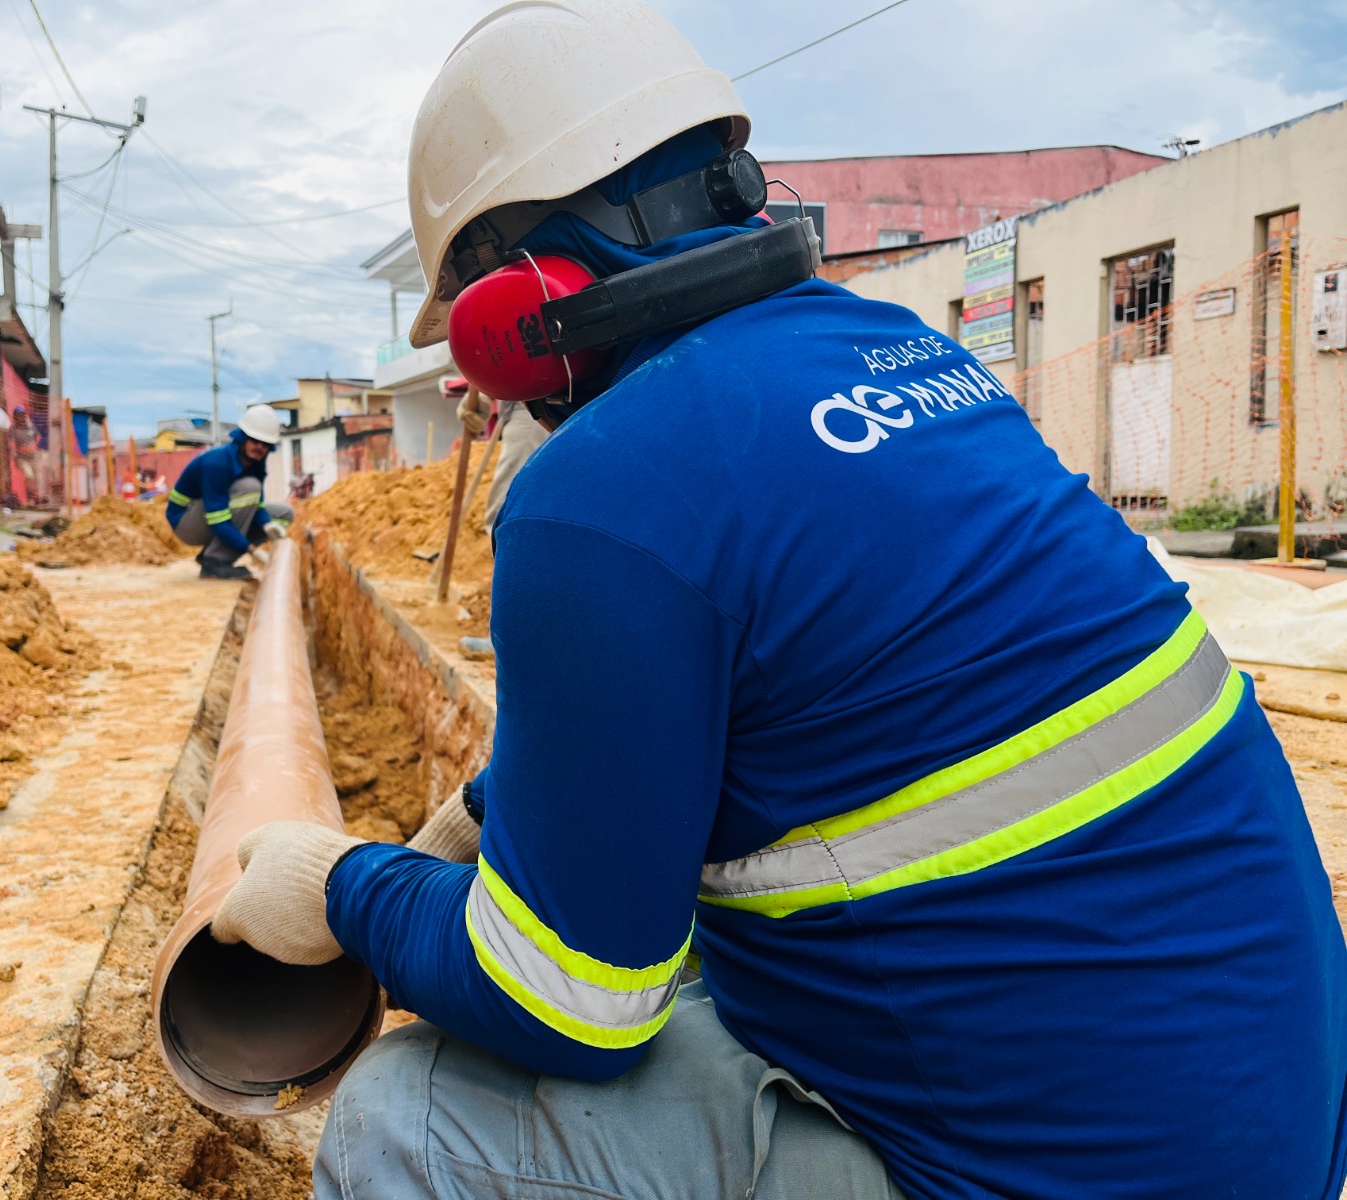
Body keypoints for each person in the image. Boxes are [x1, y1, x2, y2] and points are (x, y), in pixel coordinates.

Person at [211, 3, 1347, 1197]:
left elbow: (562, 1007)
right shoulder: (906, 353)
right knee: (687, 941)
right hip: (1253, 1126)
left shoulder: (595, 496)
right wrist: (484, 820)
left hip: (1054, 1176)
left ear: (516, 309)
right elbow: (779, 692)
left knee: (413, 1115)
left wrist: (341, 889)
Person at [165, 405, 294, 580]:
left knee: (284, 514)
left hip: (211, 517)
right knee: (249, 487)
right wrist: (252, 551)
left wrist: (266, 524)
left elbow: (257, 506)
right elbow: (218, 519)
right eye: (255, 441)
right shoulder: (216, 464)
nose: (259, 447)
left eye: (265, 444)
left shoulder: (257, 464)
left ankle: (212, 556)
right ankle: (214, 561)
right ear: (243, 438)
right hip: (186, 522)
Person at [456, 390, 550, 534]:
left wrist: (484, 388)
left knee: (508, 497)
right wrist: (484, 391)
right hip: (533, 404)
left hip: (534, 404)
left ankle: (500, 548)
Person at [9, 406, 41, 506]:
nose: (21, 418)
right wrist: (15, 459)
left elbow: (37, 437)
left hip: (33, 457)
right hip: (22, 458)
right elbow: (13, 446)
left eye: (22, 415)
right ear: (15, 417)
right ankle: (32, 497)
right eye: (18, 416)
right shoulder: (13, 430)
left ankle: (35, 497)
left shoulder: (30, 426)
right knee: (29, 475)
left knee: (35, 478)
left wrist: (35, 450)